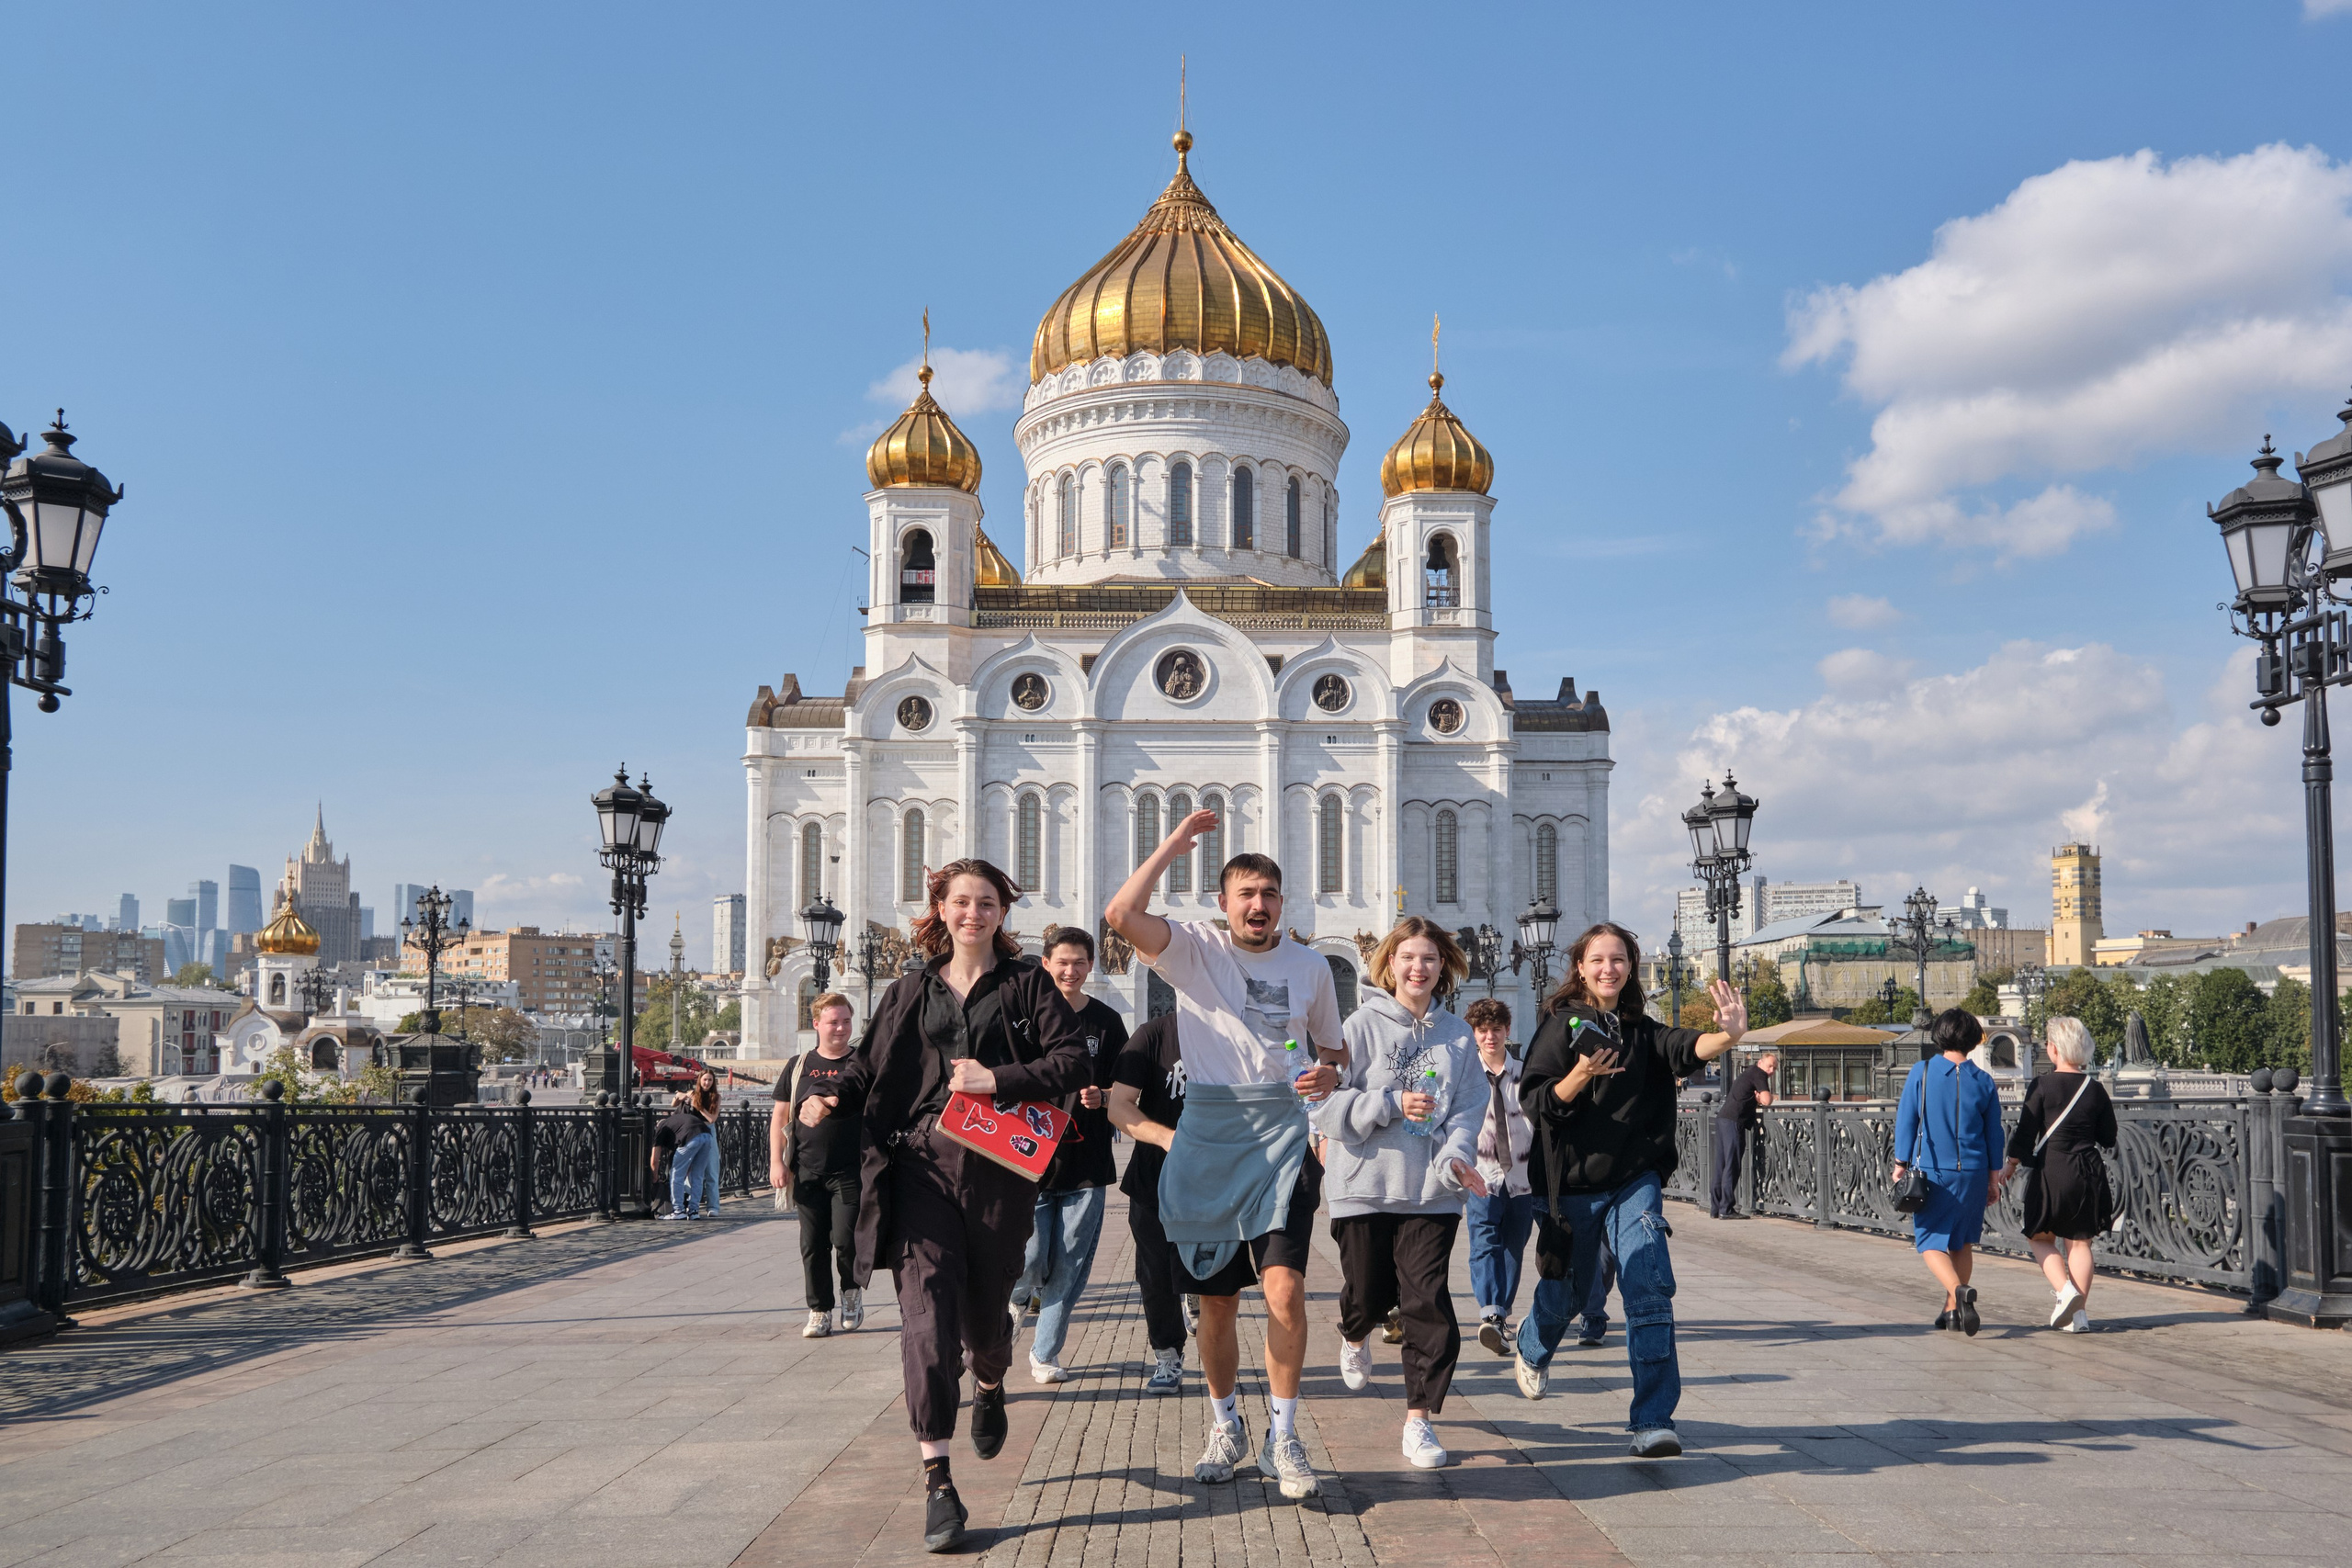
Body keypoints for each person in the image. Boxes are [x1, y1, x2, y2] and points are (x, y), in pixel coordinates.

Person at [797, 859, 1094, 1554]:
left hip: (998, 1172)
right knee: (926, 1322)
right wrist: (829, 1094)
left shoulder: (1027, 986)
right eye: (960, 901)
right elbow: (868, 1065)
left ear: (1001, 911)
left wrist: (1002, 1077)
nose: (973, 913)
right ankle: (937, 1480)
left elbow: (1075, 1059)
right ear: (941, 906)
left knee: (985, 1317)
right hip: (921, 1167)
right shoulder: (911, 989)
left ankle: (990, 1377)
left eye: (986, 902)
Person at [1104, 807, 1342, 1502]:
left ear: (1281, 903)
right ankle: (1225, 1423)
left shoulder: (1312, 966)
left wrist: (1328, 1073)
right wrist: (1175, 843)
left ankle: (1284, 1434)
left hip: (1281, 1131)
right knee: (1214, 1301)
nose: (1258, 905)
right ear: (1224, 903)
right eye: (1246, 893)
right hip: (1210, 1131)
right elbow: (1121, 912)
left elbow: (1333, 1050)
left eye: (1269, 894)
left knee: (1285, 1289)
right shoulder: (1194, 949)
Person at [1513, 921, 1747, 1459]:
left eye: (1619, 960)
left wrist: (1729, 1035)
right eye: (1598, 960)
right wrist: (1581, 1073)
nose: (1608, 969)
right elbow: (1537, 1102)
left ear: (1631, 967)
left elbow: (1686, 1047)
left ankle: (1652, 1419)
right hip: (1571, 1185)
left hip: (1633, 1181)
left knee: (1648, 1287)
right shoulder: (1560, 1024)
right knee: (1567, 1295)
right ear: (1580, 967)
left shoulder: (1641, 1029)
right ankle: (1532, 1344)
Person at [1314, 918, 1487, 1470]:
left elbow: (1466, 1112)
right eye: (1408, 958)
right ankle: (1354, 1328)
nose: (1419, 968)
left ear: (1444, 967)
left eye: (1430, 958)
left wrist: (1456, 1161)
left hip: (1430, 1189)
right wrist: (1390, 1103)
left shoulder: (1458, 1037)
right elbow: (1325, 1108)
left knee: (1426, 1300)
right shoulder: (1358, 1027)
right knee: (1366, 1290)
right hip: (1363, 1185)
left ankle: (1419, 1421)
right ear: (1388, 964)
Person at [1009, 927, 1127, 1382]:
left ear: (1090, 965)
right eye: (1062, 962)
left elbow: (1126, 1085)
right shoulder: (1026, 1019)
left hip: (1086, 1159)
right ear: (1046, 964)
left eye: (1079, 962)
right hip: (1030, 1155)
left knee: (1071, 1260)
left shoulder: (1106, 1021)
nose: (1070, 971)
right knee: (1032, 1254)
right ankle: (1016, 1302)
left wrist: (1106, 1095)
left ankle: (1046, 1353)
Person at [1995, 1016, 2116, 1334]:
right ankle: (2080, 1317)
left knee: (2039, 1236)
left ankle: (2065, 1292)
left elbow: (2026, 1132)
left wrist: (2011, 1164)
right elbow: (2109, 1137)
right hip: (2088, 1171)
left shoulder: (2042, 1086)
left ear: (2054, 1049)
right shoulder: (2096, 1089)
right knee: (2080, 1244)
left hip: (2053, 1169)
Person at [1891, 1009, 2006, 1337]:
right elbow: (1993, 1133)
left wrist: (1900, 1164)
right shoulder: (1983, 1080)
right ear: (1973, 1040)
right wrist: (1993, 1178)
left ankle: (1959, 1292)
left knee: (1929, 1241)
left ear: (1938, 1035)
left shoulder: (1922, 1072)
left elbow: (1907, 1122)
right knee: (1962, 1242)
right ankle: (1953, 1312)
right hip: (1974, 1171)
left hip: (1933, 1171)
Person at [773, 992, 863, 1339]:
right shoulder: (800, 1065)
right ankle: (820, 1310)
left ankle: (851, 1292)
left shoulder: (861, 1063)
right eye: (833, 1021)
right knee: (812, 1244)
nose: (840, 1028)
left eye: (845, 1021)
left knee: (846, 1240)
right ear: (817, 1025)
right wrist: (776, 1163)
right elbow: (780, 1115)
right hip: (807, 1168)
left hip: (851, 1169)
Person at [1108, 1010, 1189, 1393]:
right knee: (1155, 1272)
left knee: (1210, 1274)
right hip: (1153, 1177)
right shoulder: (1153, 1035)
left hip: (1219, 1179)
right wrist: (1167, 1138)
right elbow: (1119, 1105)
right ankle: (1168, 1353)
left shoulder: (1234, 1030)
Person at [1464, 998, 1535, 1355]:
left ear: (1508, 1031)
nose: (1489, 1037)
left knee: (1514, 1246)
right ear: (1473, 1034)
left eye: (1496, 1029)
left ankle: (1501, 1314)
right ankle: (1490, 1313)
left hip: (1523, 1175)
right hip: (1481, 1174)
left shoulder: (1527, 1074)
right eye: (1482, 1030)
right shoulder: (1465, 1077)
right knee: (1484, 1241)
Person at [1711, 1051, 1777, 1218]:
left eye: (1774, 1068)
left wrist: (1758, 1097)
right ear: (1761, 1063)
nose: (1771, 1071)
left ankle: (1715, 1209)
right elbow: (1767, 1100)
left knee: (1721, 1165)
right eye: (1770, 1066)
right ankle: (1726, 1209)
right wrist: (1762, 1098)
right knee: (1732, 1166)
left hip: (1724, 1119)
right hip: (1734, 1121)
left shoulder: (1749, 1072)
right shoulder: (1759, 1074)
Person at [655, 1072, 722, 1221]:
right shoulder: (692, 1093)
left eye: (710, 1080)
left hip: (705, 1130)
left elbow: (712, 1119)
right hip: (688, 1131)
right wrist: (680, 1096)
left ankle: (712, 1206)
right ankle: (692, 1209)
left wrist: (698, 1106)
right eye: (705, 1080)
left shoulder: (715, 1097)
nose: (707, 1083)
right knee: (691, 1174)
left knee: (710, 1170)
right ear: (699, 1080)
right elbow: (674, 1105)